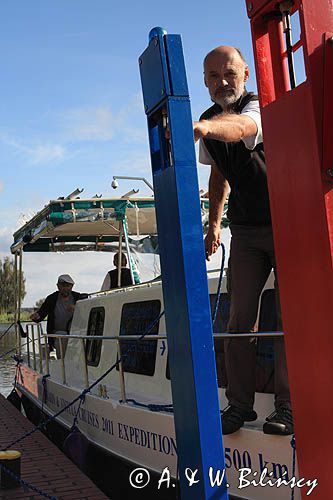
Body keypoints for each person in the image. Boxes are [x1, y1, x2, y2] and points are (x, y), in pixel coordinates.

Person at [194, 46, 293, 435]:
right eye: (214, 76)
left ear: (246, 74)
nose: (222, 82)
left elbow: (240, 131)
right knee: (239, 321)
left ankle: (286, 407)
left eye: (229, 73)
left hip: (287, 224)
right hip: (246, 231)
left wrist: (204, 129)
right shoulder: (207, 122)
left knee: (289, 318)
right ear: (204, 82)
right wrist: (214, 224)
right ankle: (239, 406)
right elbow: (219, 175)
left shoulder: (257, 108)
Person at [30, 274, 87, 357]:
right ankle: (63, 363)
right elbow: (41, 313)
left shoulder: (78, 297)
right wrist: (36, 316)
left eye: (68, 286)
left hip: (76, 332)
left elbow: (86, 314)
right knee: (62, 337)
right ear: (58, 286)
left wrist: (76, 309)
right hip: (57, 334)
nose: (65, 289)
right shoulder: (51, 299)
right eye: (63, 286)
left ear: (72, 286)